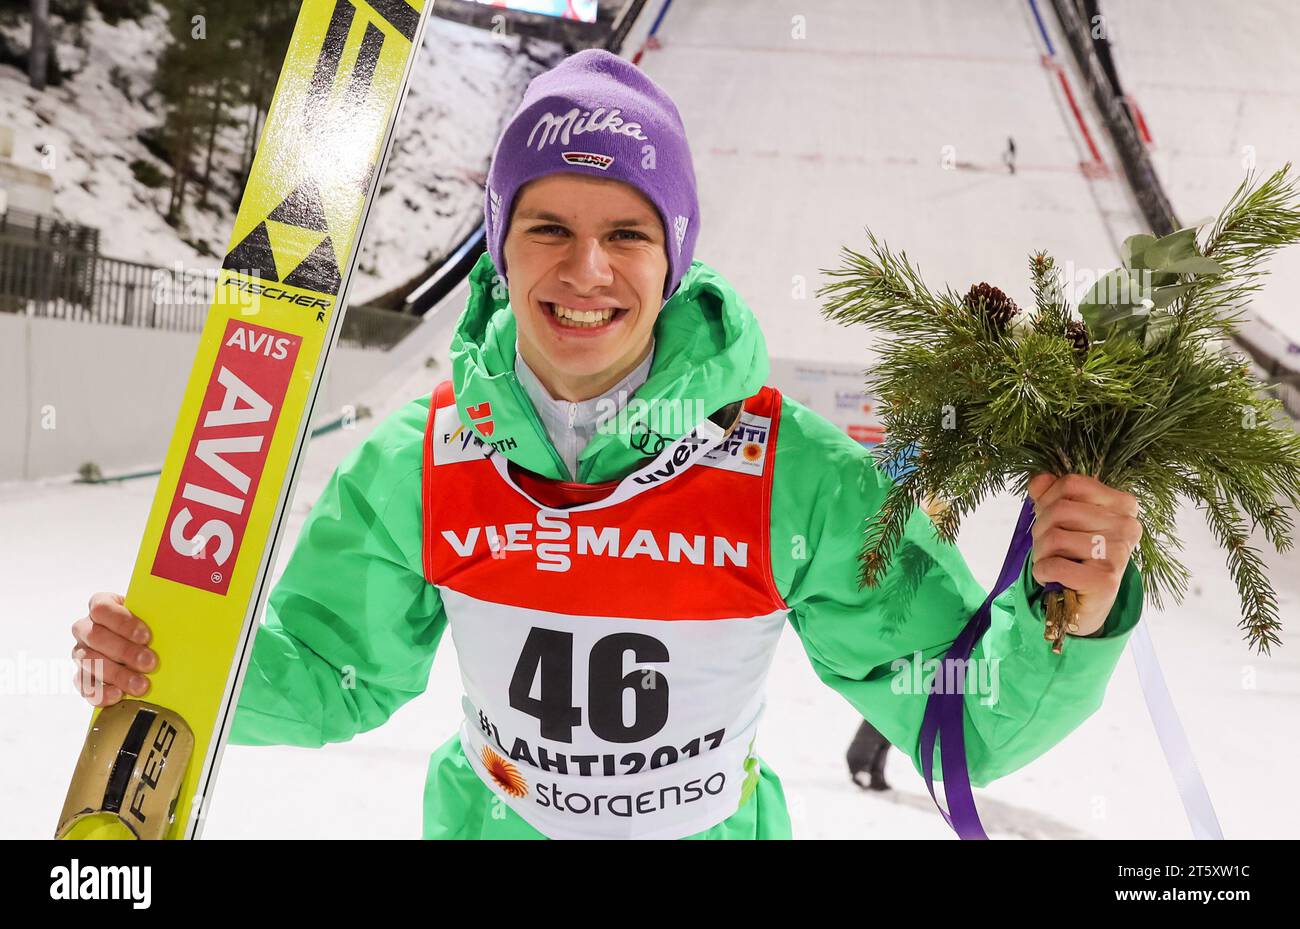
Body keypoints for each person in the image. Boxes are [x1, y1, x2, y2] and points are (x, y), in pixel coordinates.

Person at [71, 48, 1146, 840]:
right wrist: (182, 664)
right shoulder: (423, 458)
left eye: (626, 232)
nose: (586, 271)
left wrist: (1066, 614)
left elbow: (957, 717)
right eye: (548, 228)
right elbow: (329, 670)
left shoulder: (793, 475)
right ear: (502, 245)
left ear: (671, 256)